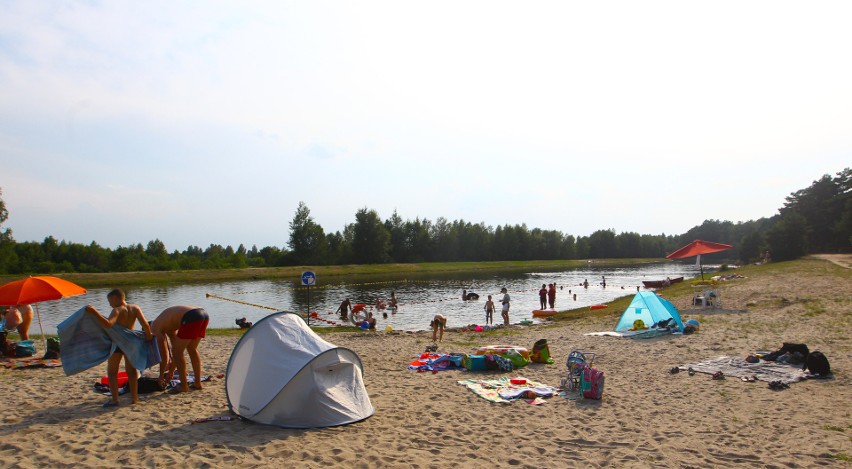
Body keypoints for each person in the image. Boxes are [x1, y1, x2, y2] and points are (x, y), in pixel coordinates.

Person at [85, 289, 153, 407]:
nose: (109, 304)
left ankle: (115, 400)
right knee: (131, 371)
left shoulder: (117, 310)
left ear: (116, 298)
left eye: (110, 301)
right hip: (131, 343)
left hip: (118, 343)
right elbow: (145, 324)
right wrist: (148, 336)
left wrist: (94, 312)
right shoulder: (135, 308)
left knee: (112, 372)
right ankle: (134, 398)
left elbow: (108, 324)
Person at [151, 305, 209, 393]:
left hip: (191, 316)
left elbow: (165, 356)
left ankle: (184, 386)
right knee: (191, 349)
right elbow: (176, 351)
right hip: (203, 314)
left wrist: (161, 376)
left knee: (178, 352)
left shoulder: (154, 328)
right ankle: (197, 383)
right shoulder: (167, 325)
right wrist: (171, 371)